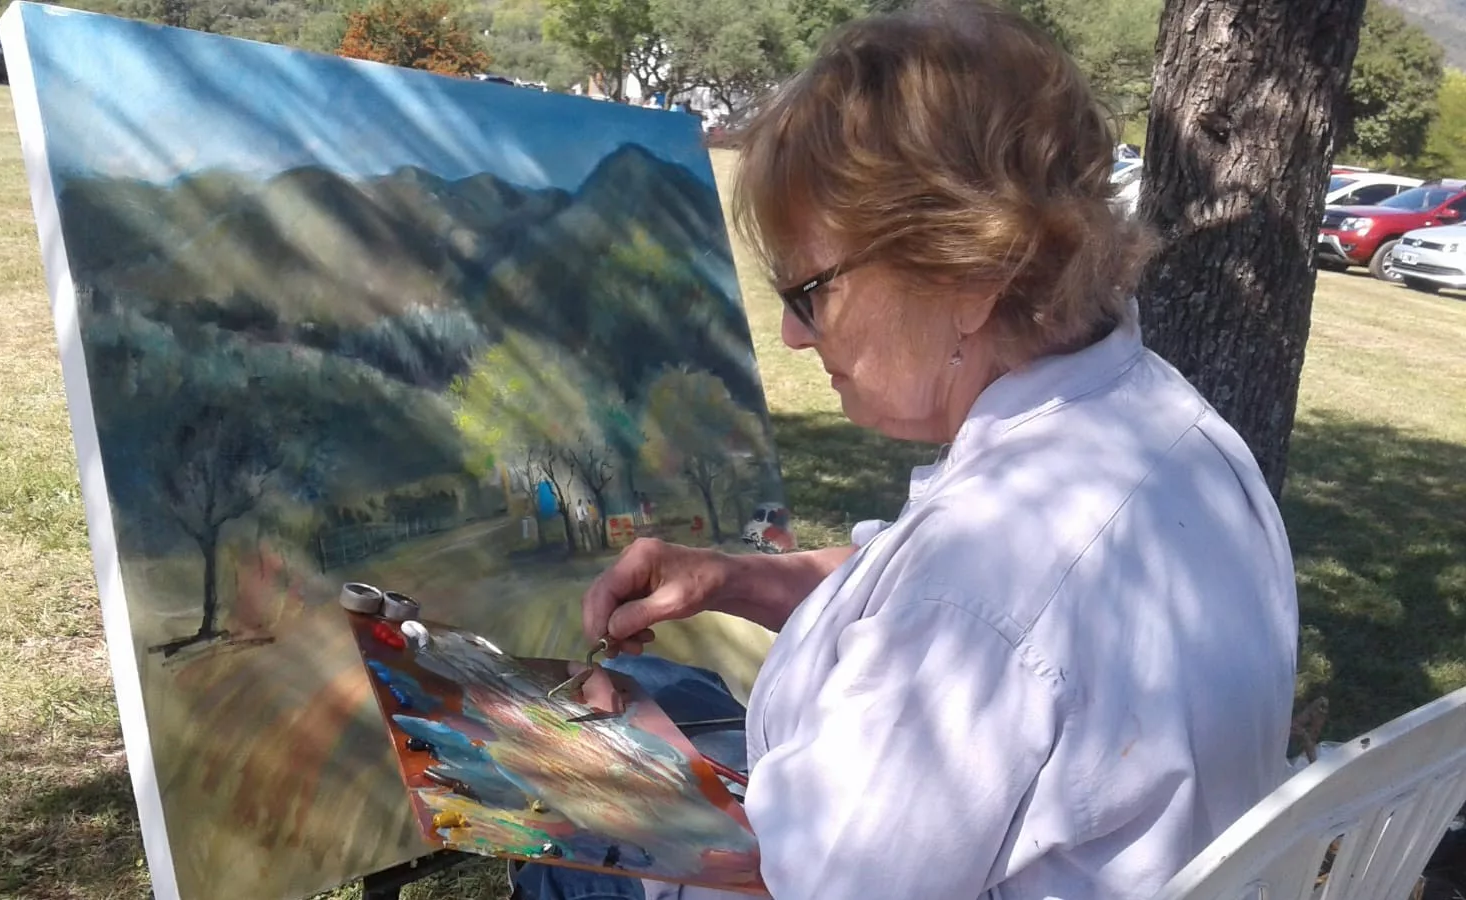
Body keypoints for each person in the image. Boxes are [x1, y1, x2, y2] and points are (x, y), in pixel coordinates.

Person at [513, 2, 1299, 898]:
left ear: (967, 268)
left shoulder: (989, 573)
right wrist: (733, 579)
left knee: (566, 805)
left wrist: (630, 772)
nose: (793, 335)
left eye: (810, 292)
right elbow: (919, 610)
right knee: (664, 684)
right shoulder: (1164, 423)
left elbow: (814, 879)